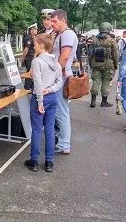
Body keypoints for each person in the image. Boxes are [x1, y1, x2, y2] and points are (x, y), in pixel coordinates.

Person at [24, 33, 63, 172]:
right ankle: (49, 162)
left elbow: (38, 83)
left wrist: (40, 100)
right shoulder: (56, 62)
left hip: (39, 98)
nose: (33, 46)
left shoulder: (37, 62)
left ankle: (34, 161)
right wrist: (50, 89)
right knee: (50, 129)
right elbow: (60, 82)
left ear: (41, 45)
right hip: (52, 97)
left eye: (35, 44)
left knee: (36, 129)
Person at [51, 9, 78, 154]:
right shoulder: (62, 34)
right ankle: (63, 142)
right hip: (61, 75)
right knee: (61, 110)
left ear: (63, 20)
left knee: (61, 112)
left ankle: (64, 144)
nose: (52, 24)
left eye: (55, 21)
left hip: (60, 76)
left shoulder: (67, 34)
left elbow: (64, 57)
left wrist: (53, 76)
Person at [88, 22, 119, 108]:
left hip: (96, 65)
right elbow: (116, 55)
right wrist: (116, 65)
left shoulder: (94, 40)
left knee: (96, 82)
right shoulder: (112, 41)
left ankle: (93, 101)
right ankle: (104, 102)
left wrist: (90, 63)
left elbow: (90, 54)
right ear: (109, 30)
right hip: (108, 66)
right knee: (106, 82)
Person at [21, 23, 38, 90]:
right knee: (29, 72)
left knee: (32, 71)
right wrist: (23, 58)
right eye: (35, 29)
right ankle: (27, 87)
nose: (36, 30)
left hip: (32, 57)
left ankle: (30, 86)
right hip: (29, 57)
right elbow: (26, 49)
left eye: (36, 29)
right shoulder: (28, 38)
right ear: (31, 30)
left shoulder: (33, 37)